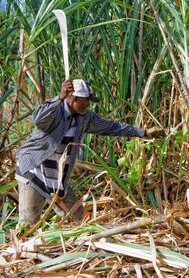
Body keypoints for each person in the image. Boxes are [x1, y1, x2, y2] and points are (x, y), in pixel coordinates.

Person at [15, 79, 164, 226]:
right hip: (34, 170)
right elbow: (38, 119)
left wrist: (143, 132)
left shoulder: (85, 117)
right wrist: (59, 97)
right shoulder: (56, 111)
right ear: (74, 98)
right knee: (28, 222)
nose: (88, 104)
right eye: (86, 100)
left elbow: (112, 127)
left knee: (79, 218)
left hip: (56, 177)